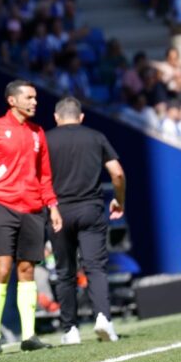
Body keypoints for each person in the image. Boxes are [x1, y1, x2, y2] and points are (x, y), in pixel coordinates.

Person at [0, 79, 63, 355]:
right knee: (2, 267)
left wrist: (52, 206)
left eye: (35, 98)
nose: (35, 102)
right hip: (1, 204)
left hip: (32, 208)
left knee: (28, 270)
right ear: (12, 101)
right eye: (29, 98)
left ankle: (29, 334)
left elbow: (45, 175)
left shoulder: (37, 133)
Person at [45, 97, 125, 344]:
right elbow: (117, 173)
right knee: (96, 267)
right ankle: (103, 318)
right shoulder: (95, 136)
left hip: (58, 212)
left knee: (65, 271)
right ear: (81, 117)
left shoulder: (45, 140)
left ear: (56, 117)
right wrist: (119, 201)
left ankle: (70, 330)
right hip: (91, 208)